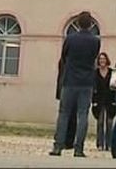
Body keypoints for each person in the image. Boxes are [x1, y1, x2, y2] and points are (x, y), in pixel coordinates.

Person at [49, 11, 100, 158]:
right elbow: (94, 57)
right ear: (91, 24)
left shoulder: (70, 39)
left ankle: (58, 146)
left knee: (64, 113)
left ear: (77, 23)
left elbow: (64, 56)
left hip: (70, 80)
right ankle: (79, 148)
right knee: (82, 114)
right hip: (87, 81)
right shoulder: (95, 41)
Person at [92, 52, 115, 151]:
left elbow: (114, 86)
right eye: (100, 59)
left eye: (104, 59)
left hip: (110, 100)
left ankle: (109, 144)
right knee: (100, 122)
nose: (102, 61)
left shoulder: (111, 72)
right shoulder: (95, 73)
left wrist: (115, 100)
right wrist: (93, 101)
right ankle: (100, 144)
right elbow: (93, 87)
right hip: (99, 99)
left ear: (107, 60)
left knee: (109, 123)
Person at [56, 57, 77, 149]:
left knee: (68, 116)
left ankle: (66, 140)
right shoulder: (64, 60)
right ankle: (64, 139)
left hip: (69, 89)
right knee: (67, 116)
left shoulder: (66, 60)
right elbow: (60, 76)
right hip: (68, 88)